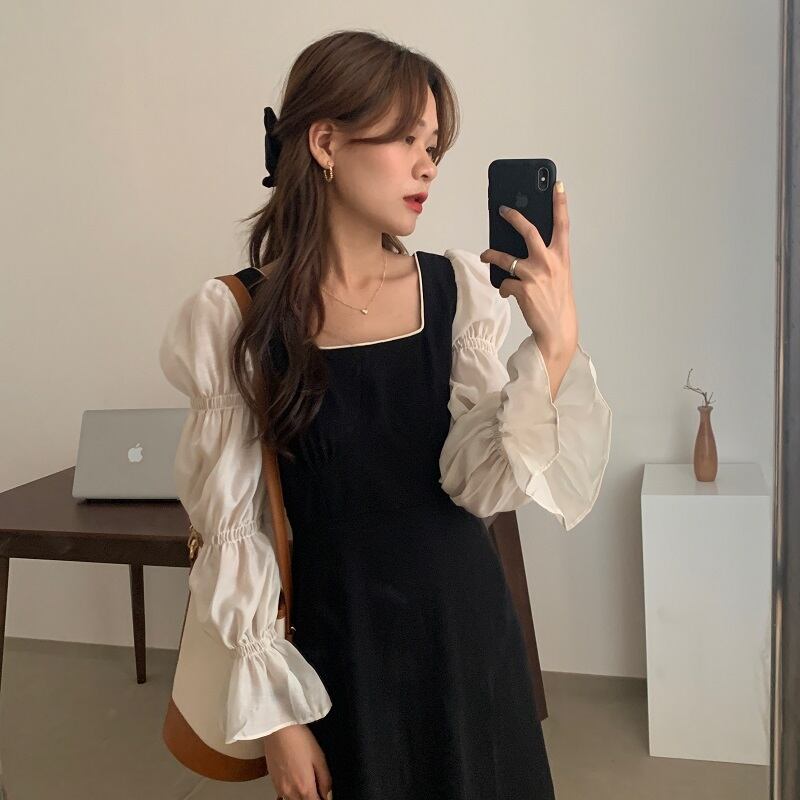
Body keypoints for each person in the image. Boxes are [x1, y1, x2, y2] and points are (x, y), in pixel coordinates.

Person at [158, 29, 612, 800]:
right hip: (343, 655)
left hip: (468, 633)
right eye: (406, 139)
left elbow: (480, 488)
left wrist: (554, 347)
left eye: (433, 145)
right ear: (326, 143)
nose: (428, 165)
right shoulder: (236, 319)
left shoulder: (458, 294)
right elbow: (233, 535)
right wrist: (278, 720)